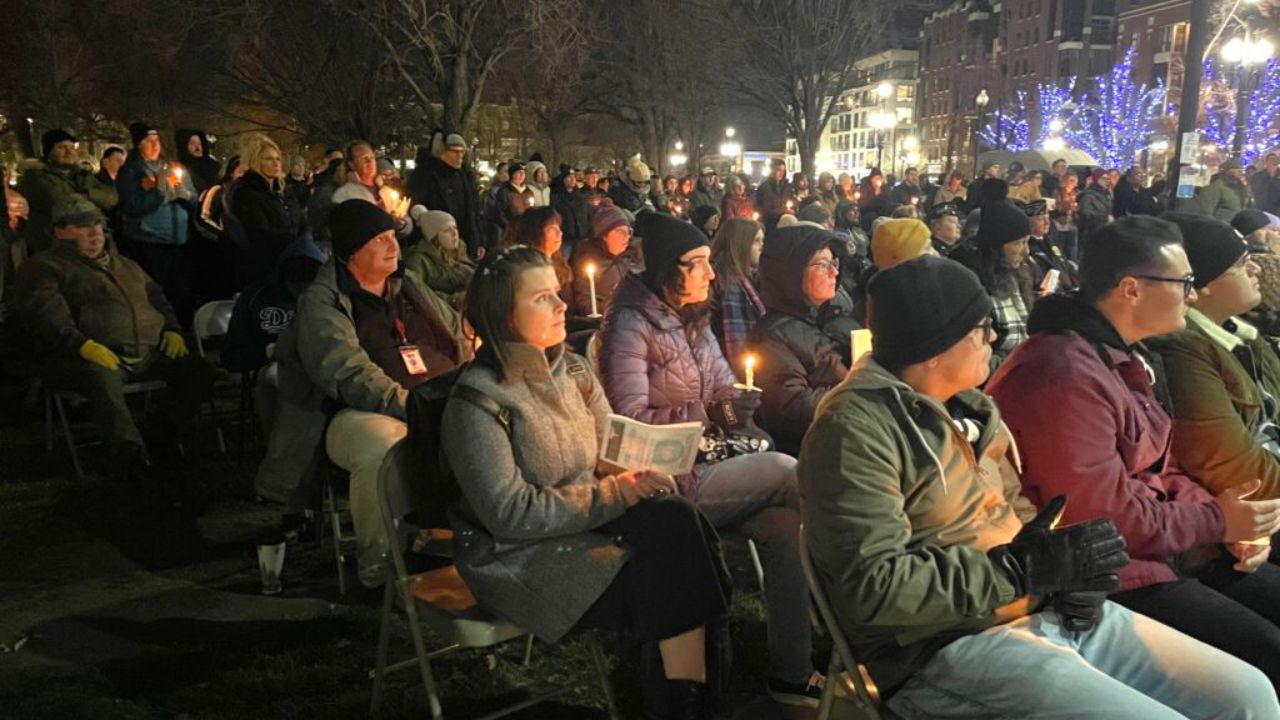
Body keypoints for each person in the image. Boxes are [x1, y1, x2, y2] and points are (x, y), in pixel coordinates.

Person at [800, 252, 1279, 719]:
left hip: (1042, 609)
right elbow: (873, 589)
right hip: (945, 645)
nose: (993, 338)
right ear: (936, 347)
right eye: (979, 330)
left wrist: (1069, 570)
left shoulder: (971, 407)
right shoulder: (854, 432)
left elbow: (1019, 513)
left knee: (1248, 696)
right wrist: (1020, 570)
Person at [986, 215, 1280, 689]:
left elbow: (1162, 468)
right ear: (1131, 289)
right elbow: (1103, 514)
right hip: (1110, 576)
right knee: (1266, 654)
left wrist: (1226, 519)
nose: (1192, 293)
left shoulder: (1119, 357)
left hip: (1166, 549)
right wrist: (1219, 521)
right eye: (1183, 281)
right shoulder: (1062, 374)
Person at [442, 245, 730, 718]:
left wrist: (642, 469)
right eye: (541, 299)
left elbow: (609, 450)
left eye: (557, 294)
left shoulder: (573, 371)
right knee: (675, 565)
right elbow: (509, 513)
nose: (561, 306)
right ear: (503, 315)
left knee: (676, 523)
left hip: (585, 526)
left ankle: (685, 704)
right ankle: (693, 703)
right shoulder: (477, 404)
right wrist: (617, 491)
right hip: (520, 555)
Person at [597, 212, 822, 708]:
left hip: (712, 461)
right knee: (790, 473)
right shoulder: (630, 326)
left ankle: (792, 671)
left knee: (788, 527)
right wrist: (711, 412)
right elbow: (627, 418)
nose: (710, 272)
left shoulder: (694, 317)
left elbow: (722, 382)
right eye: (697, 263)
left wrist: (736, 402)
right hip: (667, 482)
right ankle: (854, 608)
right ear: (666, 269)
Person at [258, 200, 470, 585]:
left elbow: (455, 333)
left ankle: (465, 544)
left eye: (393, 236)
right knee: (382, 447)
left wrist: (473, 383)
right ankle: (380, 566)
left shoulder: (409, 287)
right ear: (351, 251)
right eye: (380, 239)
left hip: (439, 398)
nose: (393, 247)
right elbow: (346, 373)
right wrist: (415, 406)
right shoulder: (323, 302)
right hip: (351, 412)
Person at [13, 198, 213, 479]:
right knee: (102, 377)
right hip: (80, 358)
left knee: (198, 369)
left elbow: (159, 300)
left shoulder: (126, 265)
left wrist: (172, 330)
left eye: (98, 224)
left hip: (145, 353)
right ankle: (131, 458)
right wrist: (83, 346)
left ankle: (162, 435)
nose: (95, 232)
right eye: (83, 226)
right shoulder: (45, 267)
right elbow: (46, 318)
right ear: (59, 231)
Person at [1148, 213, 1280, 503]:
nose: (1256, 269)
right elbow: (1234, 468)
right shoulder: (1179, 353)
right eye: (1241, 265)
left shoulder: (1242, 335)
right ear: (1200, 285)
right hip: (1246, 515)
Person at [747, 225, 850, 455]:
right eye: (822, 265)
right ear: (791, 273)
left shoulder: (833, 318)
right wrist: (857, 389)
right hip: (815, 450)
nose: (833, 272)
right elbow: (792, 409)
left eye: (834, 263)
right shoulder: (770, 337)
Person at [222, 238, 326, 433]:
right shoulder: (256, 297)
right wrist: (269, 351)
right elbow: (232, 356)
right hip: (272, 369)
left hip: (322, 365)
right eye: (297, 287)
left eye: (308, 288)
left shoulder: (329, 297)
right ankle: (281, 448)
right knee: (276, 377)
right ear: (284, 280)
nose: (302, 294)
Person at [114, 121, 199, 327]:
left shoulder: (172, 168)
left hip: (178, 242)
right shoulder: (132, 172)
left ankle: (185, 332)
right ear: (138, 145)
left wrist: (186, 196)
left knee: (181, 292)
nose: (155, 145)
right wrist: (158, 192)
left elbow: (194, 200)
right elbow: (132, 206)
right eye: (148, 141)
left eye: (157, 140)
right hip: (150, 244)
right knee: (159, 294)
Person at [17, 129, 119, 255]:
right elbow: (64, 203)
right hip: (55, 246)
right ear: (48, 152)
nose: (69, 152)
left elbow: (112, 197)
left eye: (72, 147)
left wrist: (86, 195)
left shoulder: (83, 174)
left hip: (92, 242)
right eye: (62, 147)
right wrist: (96, 199)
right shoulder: (36, 177)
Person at [958, 199, 1033, 368]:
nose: (1026, 251)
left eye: (1027, 242)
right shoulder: (971, 280)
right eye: (1018, 243)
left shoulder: (1015, 274)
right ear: (996, 245)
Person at [230, 134, 302, 289]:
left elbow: (300, 221)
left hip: (292, 259)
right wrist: (292, 240)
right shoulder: (246, 193)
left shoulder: (285, 191)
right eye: (269, 159)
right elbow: (260, 234)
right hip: (265, 267)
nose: (276, 163)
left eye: (278, 159)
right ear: (256, 162)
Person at [406, 132, 481, 258]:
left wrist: (476, 241)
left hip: (461, 243)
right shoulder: (423, 175)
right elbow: (417, 208)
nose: (460, 156)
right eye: (455, 152)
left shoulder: (461, 175)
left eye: (462, 152)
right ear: (442, 152)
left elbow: (471, 211)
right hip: (434, 245)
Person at [709, 217, 765, 376]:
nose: (762, 247)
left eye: (762, 241)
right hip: (732, 370)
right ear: (741, 243)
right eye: (756, 241)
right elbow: (738, 342)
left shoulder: (750, 277)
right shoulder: (729, 284)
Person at [566, 205, 642, 319]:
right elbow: (586, 305)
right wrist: (614, 303)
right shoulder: (587, 260)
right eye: (619, 231)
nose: (626, 237)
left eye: (628, 232)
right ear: (604, 235)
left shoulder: (631, 255)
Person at [333, 140, 415, 242]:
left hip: (391, 251)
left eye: (372, 157)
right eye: (363, 159)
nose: (369, 162)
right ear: (352, 164)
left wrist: (402, 224)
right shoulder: (344, 194)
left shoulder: (386, 191)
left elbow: (407, 222)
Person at [402, 209, 475, 309]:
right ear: (434, 237)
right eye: (446, 230)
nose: (454, 233)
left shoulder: (458, 253)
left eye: (455, 228)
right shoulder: (418, 260)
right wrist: (454, 299)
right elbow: (417, 293)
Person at [1020, 199, 1077, 296]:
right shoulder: (1028, 247)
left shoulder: (1050, 241)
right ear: (1028, 222)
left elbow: (1063, 263)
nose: (1047, 222)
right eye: (1041, 219)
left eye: (1048, 218)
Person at [1189, 158, 1254, 221]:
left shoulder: (1241, 187)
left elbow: (1246, 206)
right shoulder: (1215, 187)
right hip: (1222, 227)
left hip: (1237, 227)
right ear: (1228, 171)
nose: (1241, 171)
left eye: (1241, 169)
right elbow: (1205, 212)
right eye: (1236, 169)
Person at [174, 129, 221, 196]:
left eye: (200, 144)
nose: (198, 147)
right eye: (192, 143)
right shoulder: (179, 168)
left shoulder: (212, 167)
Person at [1075, 167, 1113, 244]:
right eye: (1103, 178)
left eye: (1107, 179)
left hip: (1103, 230)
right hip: (1091, 232)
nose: (1106, 181)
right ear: (1096, 179)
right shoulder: (1088, 195)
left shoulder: (1106, 194)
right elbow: (1085, 213)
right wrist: (1104, 217)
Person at [755, 160, 792, 226]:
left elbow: (790, 201)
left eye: (783, 171)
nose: (781, 173)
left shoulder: (786, 186)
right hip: (770, 223)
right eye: (779, 170)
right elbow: (764, 209)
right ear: (772, 171)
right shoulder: (764, 188)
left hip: (785, 222)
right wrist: (782, 212)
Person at [857, 169, 894, 233]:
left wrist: (883, 193)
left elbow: (888, 202)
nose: (878, 181)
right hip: (869, 216)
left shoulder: (884, 188)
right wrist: (874, 195)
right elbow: (863, 205)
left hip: (882, 215)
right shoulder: (865, 188)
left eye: (879, 179)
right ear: (871, 179)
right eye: (876, 178)